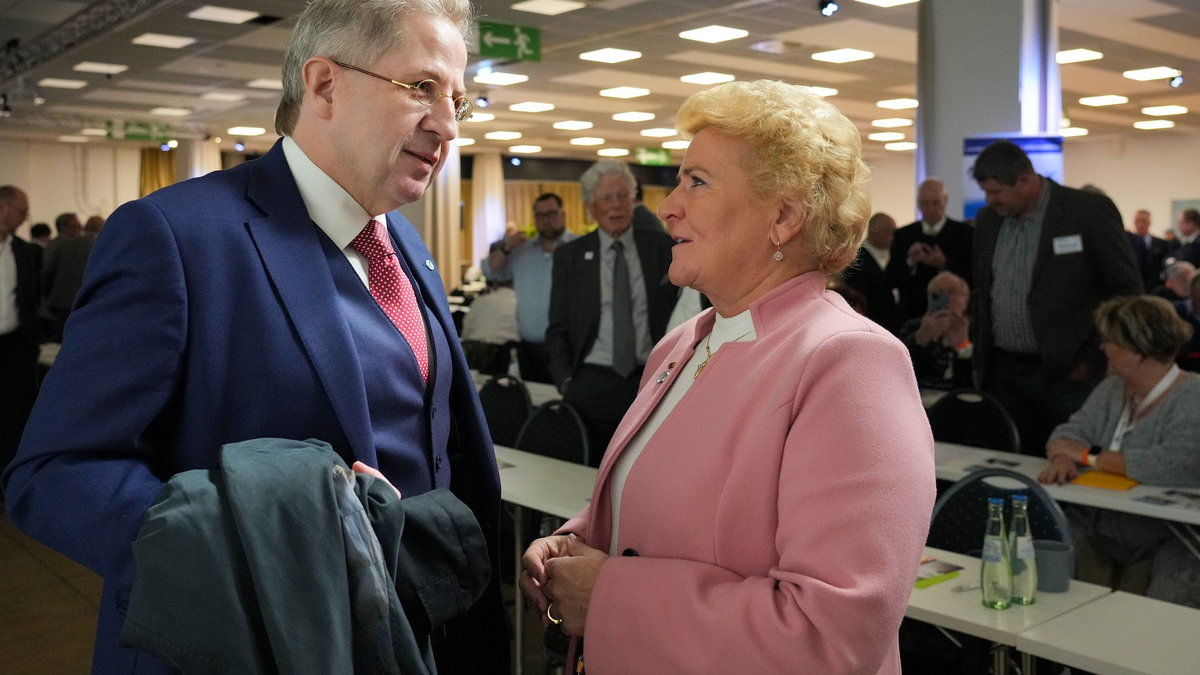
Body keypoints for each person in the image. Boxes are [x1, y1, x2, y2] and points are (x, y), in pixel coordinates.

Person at [3, 1, 508, 673]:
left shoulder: (407, 244)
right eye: (421, 87)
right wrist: (262, 550)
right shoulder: (177, 238)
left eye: (457, 98)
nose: (446, 123)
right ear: (323, 84)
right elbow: (53, 473)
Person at [521, 80, 935, 675]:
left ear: (784, 217)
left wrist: (608, 594)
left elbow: (830, 638)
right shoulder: (684, 344)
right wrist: (577, 545)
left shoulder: (849, 363)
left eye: (698, 182)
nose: (668, 206)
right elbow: (663, 504)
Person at [971, 140, 1143, 456]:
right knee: (1007, 462)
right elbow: (982, 292)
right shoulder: (988, 220)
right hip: (1004, 372)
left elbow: (1126, 291)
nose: (989, 200)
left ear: (1024, 179)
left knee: (1068, 463)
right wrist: (980, 359)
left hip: (1067, 373)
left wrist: (1093, 356)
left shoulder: (1086, 212)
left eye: (996, 192)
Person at [1038, 295, 1200, 608]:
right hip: (1097, 523)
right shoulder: (1111, 388)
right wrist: (1061, 458)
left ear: (1139, 350)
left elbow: (1167, 465)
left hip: (1169, 533)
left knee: (1169, 600)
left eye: (1110, 340)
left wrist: (1086, 456)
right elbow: (1066, 435)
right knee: (1044, 556)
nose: (1103, 347)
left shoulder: (1193, 396)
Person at [545, 160, 677, 462]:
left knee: (646, 469)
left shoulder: (662, 248)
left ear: (634, 199)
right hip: (590, 384)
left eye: (623, 195)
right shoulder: (571, 257)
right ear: (591, 206)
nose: (616, 205)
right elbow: (557, 328)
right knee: (588, 473)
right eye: (606, 198)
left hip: (649, 380)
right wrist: (566, 381)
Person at [483, 192, 576, 383]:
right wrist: (507, 247)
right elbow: (490, 271)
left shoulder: (579, 248)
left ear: (563, 215)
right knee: (533, 405)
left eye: (551, 214)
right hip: (529, 349)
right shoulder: (521, 252)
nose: (546, 220)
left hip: (570, 348)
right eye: (540, 216)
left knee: (568, 407)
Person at [0, 186, 40, 490]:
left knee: (13, 416)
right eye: (22, 211)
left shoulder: (25, 252)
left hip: (14, 347)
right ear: (3, 208)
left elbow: (30, 299)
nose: (26, 217)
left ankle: (5, 483)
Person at [889, 178, 973, 321]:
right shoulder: (904, 235)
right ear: (918, 204)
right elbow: (890, 280)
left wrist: (944, 264)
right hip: (913, 314)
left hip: (954, 313)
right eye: (925, 204)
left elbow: (973, 276)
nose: (931, 209)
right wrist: (910, 262)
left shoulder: (965, 234)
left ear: (945, 201)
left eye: (935, 203)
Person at [900, 271, 973, 390]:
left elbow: (974, 382)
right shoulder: (913, 327)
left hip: (958, 399)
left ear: (966, 299)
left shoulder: (977, 330)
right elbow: (899, 371)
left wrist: (963, 346)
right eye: (938, 294)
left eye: (952, 292)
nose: (947, 299)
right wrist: (921, 338)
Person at [841, 211, 902, 332]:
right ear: (874, 230)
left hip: (892, 323)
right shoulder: (857, 260)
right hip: (872, 323)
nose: (892, 237)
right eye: (888, 232)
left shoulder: (896, 256)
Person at [41, 212, 95, 342]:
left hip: (67, 300)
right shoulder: (57, 244)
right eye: (75, 226)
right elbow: (47, 272)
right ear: (63, 227)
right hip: (60, 301)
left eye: (79, 226)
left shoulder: (74, 244)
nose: (78, 230)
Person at [1129, 209, 1171, 290]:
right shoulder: (1128, 243)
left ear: (1149, 223)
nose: (1141, 224)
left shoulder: (1161, 243)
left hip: (1156, 285)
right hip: (1135, 284)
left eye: (1144, 221)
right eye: (1138, 221)